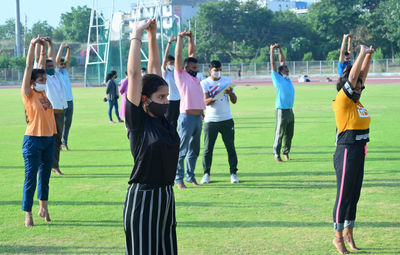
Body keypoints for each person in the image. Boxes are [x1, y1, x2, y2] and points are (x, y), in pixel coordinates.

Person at [123, 18, 179, 255]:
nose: (166, 101)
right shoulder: (138, 121)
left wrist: (153, 36)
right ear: (145, 99)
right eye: (161, 97)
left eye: (167, 96)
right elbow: (136, 75)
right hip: (143, 197)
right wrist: (136, 33)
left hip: (166, 196)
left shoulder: (163, 121)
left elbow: (154, 71)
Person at [332, 45, 374, 255]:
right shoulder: (343, 100)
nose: (359, 89)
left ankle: (349, 231)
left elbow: (361, 77)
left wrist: (368, 56)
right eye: (356, 87)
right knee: (343, 195)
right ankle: (338, 237)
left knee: (354, 195)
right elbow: (354, 76)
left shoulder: (357, 101)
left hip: (359, 150)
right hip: (346, 150)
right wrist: (360, 54)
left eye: (360, 88)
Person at [21, 36, 57, 227]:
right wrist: (32, 46)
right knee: (31, 178)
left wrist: (43, 48)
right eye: (41, 80)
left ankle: (43, 207)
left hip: (49, 139)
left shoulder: (43, 93)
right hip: (33, 140)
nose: (44, 81)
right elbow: (29, 68)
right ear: (33, 82)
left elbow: (40, 66)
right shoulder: (29, 94)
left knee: (45, 177)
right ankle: (28, 213)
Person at [174, 30, 206, 189]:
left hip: (198, 118)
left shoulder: (195, 77)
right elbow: (180, 56)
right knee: (182, 150)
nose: (196, 69)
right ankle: (178, 179)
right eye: (193, 67)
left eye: (196, 67)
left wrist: (191, 38)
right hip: (186, 118)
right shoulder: (181, 75)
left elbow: (192, 53)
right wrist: (180, 38)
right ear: (186, 67)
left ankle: (190, 176)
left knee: (194, 151)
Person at [200, 60, 239, 184]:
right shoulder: (204, 83)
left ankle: (233, 173)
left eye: (219, 70)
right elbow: (205, 102)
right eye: (215, 70)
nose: (218, 72)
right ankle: (206, 174)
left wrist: (230, 93)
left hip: (226, 119)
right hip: (211, 120)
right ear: (210, 70)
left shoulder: (227, 81)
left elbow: (234, 101)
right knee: (208, 149)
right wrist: (216, 96)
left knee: (230, 147)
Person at [41, 37, 68, 175]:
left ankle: (55, 165)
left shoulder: (56, 74)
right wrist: (42, 47)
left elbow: (52, 58)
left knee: (57, 141)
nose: (51, 67)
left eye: (52, 65)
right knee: (46, 140)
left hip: (60, 112)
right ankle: (42, 167)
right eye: (48, 66)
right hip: (48, 113)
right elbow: (46, 58)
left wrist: (51, 43)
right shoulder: (44, 78)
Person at [270, 43, 295, 162]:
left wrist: (280, 49)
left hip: (290, 109)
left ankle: (286, 152)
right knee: (280, 132)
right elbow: (274, 64)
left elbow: (282, 60)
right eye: (284, 67)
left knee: (289, 133)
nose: (286, 67)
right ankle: (276, 154)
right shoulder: (277, 78)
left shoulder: (287, 78)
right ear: (280, 71)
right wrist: (271, 50)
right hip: (281, 109)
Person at [56, 43, 73, 151]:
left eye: (64, 65)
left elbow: (67, 59)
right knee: (60, 124)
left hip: (70, 101)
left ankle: (64, 142)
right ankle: (58, 144)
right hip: (61, 102)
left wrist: (68, 49)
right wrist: (61, 48)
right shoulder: (57, 72)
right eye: (61, 64)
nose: (62, 66)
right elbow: (57, 60)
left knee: (68, 124)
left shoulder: (65, 71)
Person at [162, 35, 181, 128]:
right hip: (169, 100)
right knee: (167, 122)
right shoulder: (165, 72)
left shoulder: (177, 72)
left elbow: (179, 55)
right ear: (167, 64)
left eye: (174, 63)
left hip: (179, 100)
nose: (172, 65)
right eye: (171, 63)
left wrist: (178, 42)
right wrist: (169, 43)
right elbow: (165, 58)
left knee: (175, 123)